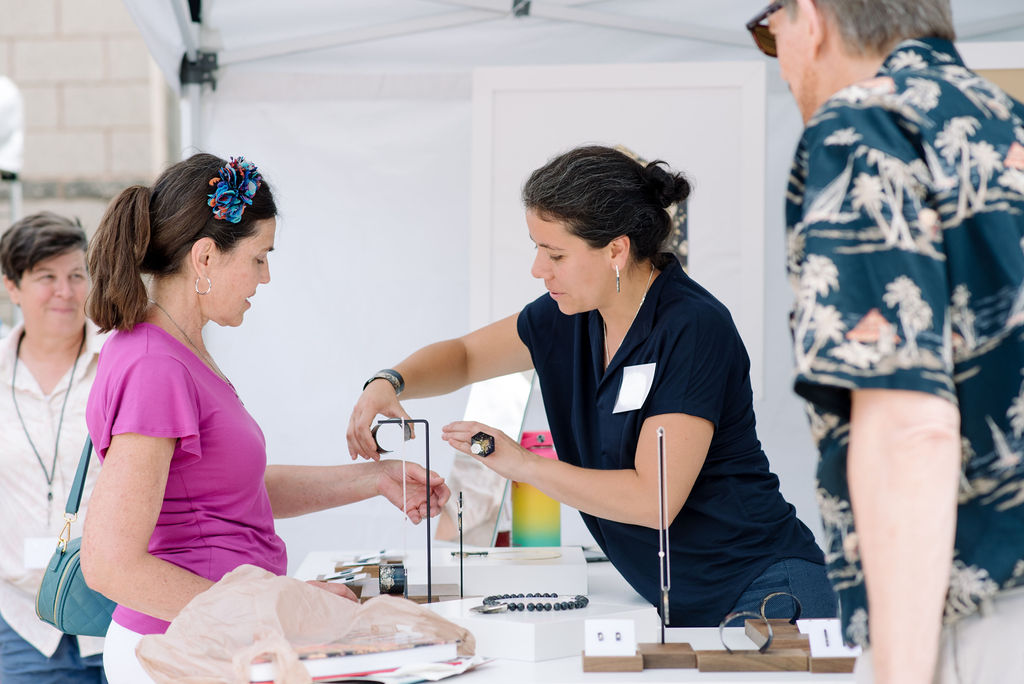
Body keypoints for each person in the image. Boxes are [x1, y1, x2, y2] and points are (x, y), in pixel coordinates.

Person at [347, 144, 836, 627]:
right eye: (537, 248)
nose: (538, 269)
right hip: (686, 606)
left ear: (616, 250)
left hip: (768, 591)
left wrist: (521, 464)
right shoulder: (571, 315)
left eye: (555, 253)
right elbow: (467, 355)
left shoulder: (692, 328)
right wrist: (390, 381)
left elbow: (654, 500)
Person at [80, 153, 450, 684]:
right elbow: (110, 564)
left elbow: (230, 492)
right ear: (205, 257)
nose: (267, 276)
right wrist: (280, 608)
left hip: (213, 641)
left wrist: (373, 478)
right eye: (258, 257)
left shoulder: (174, 350)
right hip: (181, 651)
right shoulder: (154, 366)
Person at [748, 0, 1024, 681]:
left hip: (974, 602)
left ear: (808, 20)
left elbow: (909, 428)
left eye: (768, 31)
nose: (779, 60)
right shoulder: (1007, 122)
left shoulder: (863, 121)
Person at [0, 212, 106, 683]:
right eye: (47, 277)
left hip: (119, 617)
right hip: (21, 623)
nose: (65, 291)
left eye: (76, 275)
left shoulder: (122, 365)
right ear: (12, 286)